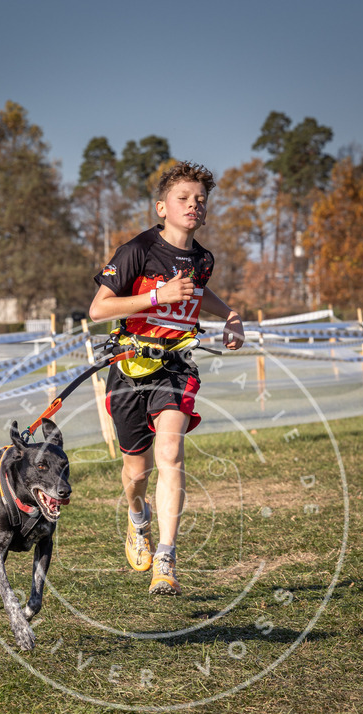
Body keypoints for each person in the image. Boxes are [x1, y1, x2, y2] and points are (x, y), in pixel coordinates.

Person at [89, 161, 244, 596]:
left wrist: (230, 315)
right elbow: (98, 309)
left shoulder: (202, 260)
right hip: (129, 367)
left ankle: (166, 558)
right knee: (136, 473)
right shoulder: (136, 250)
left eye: (200, 200)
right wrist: (158, 295)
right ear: (162, 207)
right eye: (183, 198)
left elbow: (199, 292)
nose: (194, 205)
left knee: (171, 454)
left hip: (176, 367)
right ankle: (138, 520)